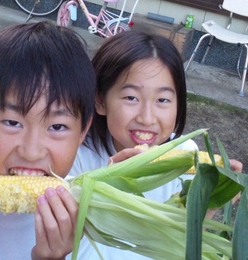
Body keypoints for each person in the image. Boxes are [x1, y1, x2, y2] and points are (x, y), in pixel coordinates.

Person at [69, 30, 243, 259]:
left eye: (163, 100)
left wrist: (208, 203)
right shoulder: (75, 156)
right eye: (131, 97)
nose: (147, 118)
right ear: (100, 100)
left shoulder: (187, 155)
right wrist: (104, 184)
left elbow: (177, 242)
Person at [0, 21, 96, 260]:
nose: (32, 151)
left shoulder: (86, 221)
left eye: (57, 126)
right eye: (12, 123)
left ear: (83, 131)